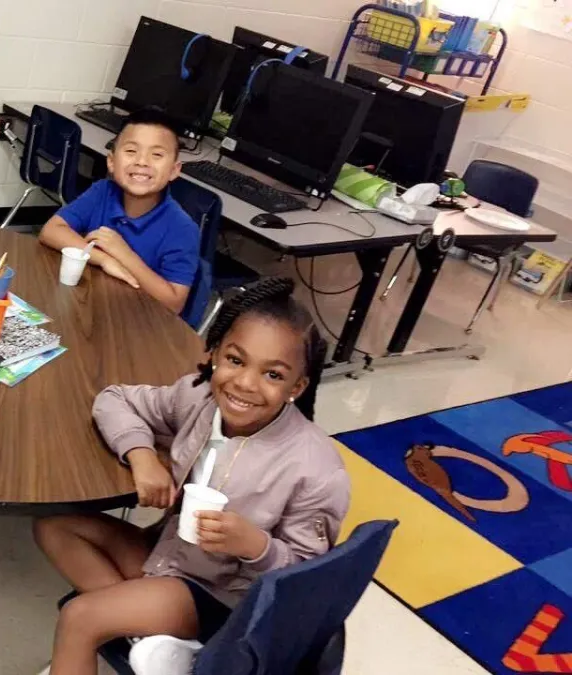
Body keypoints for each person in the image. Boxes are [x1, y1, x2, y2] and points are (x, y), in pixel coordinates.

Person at [32, 278, 350, 675]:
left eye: (273, 375)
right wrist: (141, 454)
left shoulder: (316, 469)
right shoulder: (199, 399)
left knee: (81, 618)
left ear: (296, 387)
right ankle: (152, 638)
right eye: (235, 360)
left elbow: (305, 583)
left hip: (226, 599)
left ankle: (167, 635)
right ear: (215, 354)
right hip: (171, 557)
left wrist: (254, 545)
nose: (245, 384)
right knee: (54, 526)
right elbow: (114, 399)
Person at [38, 106, 200, 314]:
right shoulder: (103, 191)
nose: (142, 161)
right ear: (112, 162)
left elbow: (174, 304)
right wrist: (105, 259)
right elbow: (51, 230)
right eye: (131, 151)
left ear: (174, 170)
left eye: (157, 154)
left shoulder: (182, 229)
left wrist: (124, 254)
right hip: (92, 306)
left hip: (141, 323)